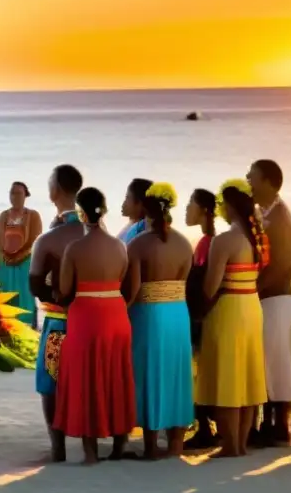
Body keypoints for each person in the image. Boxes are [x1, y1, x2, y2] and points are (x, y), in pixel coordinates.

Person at [53, 187, 134, 464]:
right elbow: (125, 282)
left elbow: (65, 290)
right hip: (116, 313)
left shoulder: (75, 249)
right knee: (116, 374)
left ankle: (91, 452)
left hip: (86, 315)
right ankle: (120, 443)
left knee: (87, 378)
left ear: (81, 213)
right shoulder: (120, 246)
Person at [196, 180, 269, 458]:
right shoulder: (256, 239)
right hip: (252, 305)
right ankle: (240, 443)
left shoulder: (224, 240)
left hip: (229, 308)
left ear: (228, 208)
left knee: (228, 375)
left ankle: (230, 445)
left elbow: (211, 287)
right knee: (248, 375)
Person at [125, 183, 194, 459]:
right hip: (178, 313)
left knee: (149, 373)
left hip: (149, 314)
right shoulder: (184, 243)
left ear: (147, 210)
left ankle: (152, 446)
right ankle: (176, 444)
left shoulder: (138, 244)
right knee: (176, 373)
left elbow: (133, 289)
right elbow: (185, 281)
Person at [28, 164, 85, 461]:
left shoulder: (49, 239)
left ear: (56, 191)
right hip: (91, 318)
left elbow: (35, 285)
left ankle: (58, 446)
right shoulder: (95, 231)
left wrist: (59, 298)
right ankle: (92, 445)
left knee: (50, 382)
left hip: (58, 320)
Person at [247, 159, 291, 446]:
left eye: (251, 177)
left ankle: (280, 426)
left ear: (268, 181)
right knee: (265, 359)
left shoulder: (281, 218)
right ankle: (265, 423)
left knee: (276, 361)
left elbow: (285, 263)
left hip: (277, 297)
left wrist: (253, 288)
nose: (248, 181)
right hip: (268, 296)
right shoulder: (264, 213)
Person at [184, 188, 218, 450]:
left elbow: (204, 282)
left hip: (201, 314)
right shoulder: (206, 241)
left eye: (190, 204)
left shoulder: (208, 242)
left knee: (198, 372)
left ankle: (205, 427)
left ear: (204, 210)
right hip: (202, 313)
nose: (186, 209)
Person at [0, 182, 42, 328]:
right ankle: (7, 327)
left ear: (25, 195)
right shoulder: (4, 215)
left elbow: (36, 240)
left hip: (25, 263)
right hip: (6, 264)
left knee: (25, 297)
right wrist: (5, 256)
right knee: (6, 296)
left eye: (18, 193)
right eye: (12, 193)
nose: (14, 196)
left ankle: (28, 327)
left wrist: (19, 257)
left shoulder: (33, 215)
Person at [118, 178, 152, 244]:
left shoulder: (138, 231)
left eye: (127, 198)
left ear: (139, 203)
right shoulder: (132, 225)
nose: (124, 203)